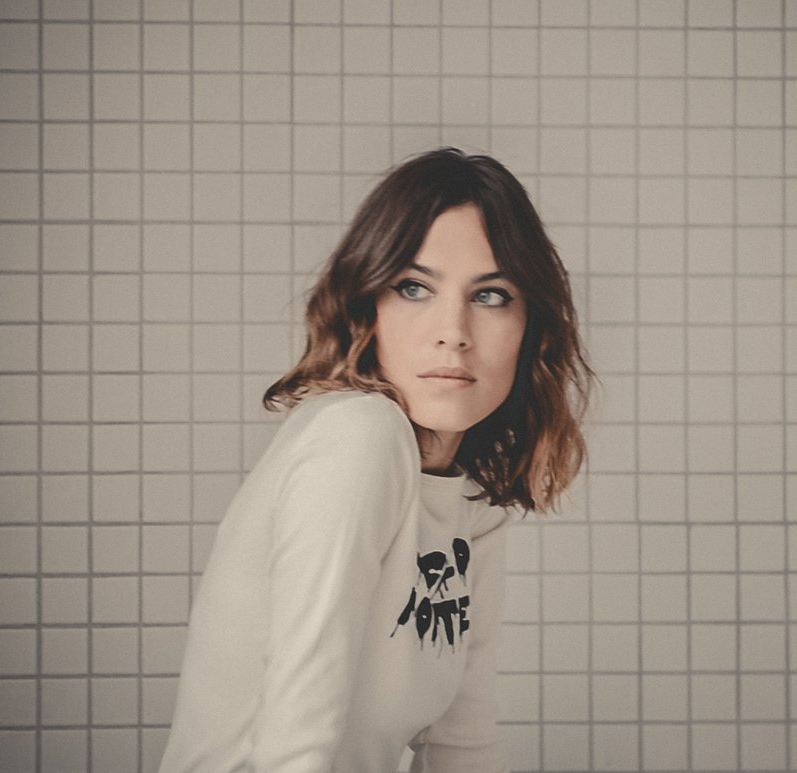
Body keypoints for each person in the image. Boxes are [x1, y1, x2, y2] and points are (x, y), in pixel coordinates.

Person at [156, 148, 592, 773]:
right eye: (414, 288)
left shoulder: (471, 502)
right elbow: (294, 745)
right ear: (368, 307)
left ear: (531, 328)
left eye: (491, 295)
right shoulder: (359, 435)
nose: (453, 331)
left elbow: (461, 743)